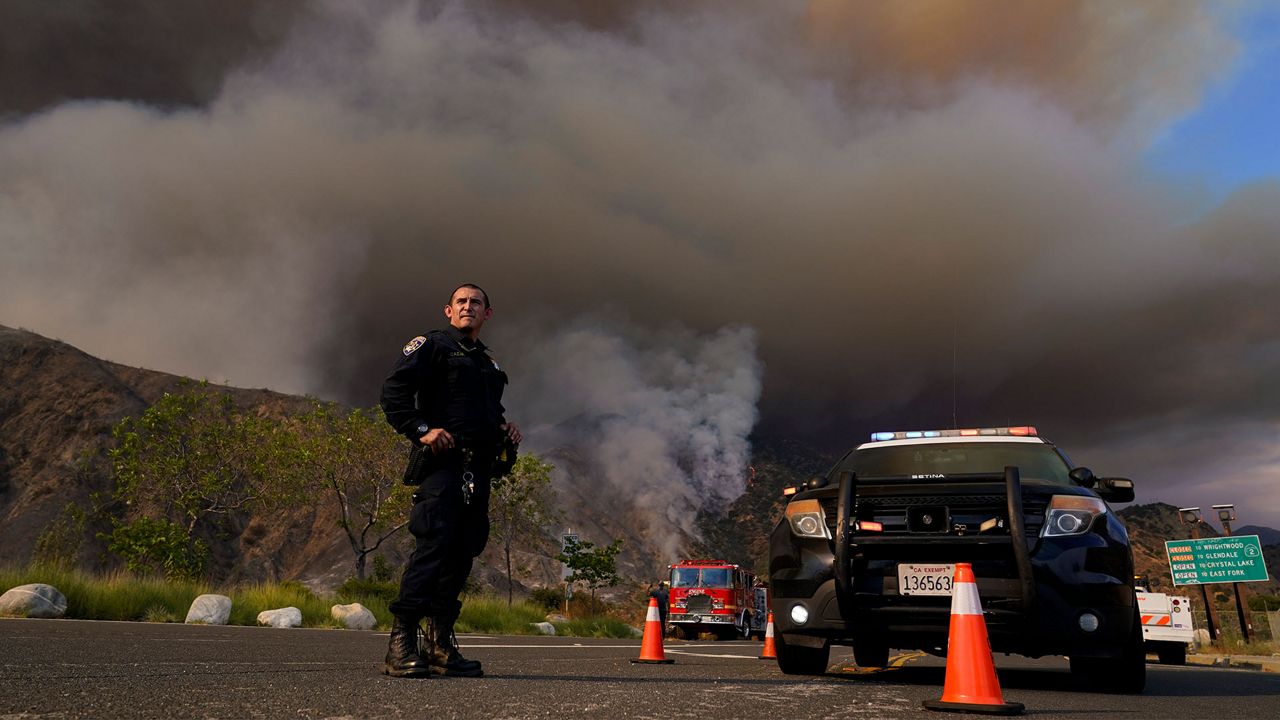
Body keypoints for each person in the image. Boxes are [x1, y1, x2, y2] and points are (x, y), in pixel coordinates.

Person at [379, 283, 522, 679]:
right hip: (443, 466)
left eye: (476, 303)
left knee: (463, 552)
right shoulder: (433, 346)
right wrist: (421, 428)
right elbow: (393, 392)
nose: (468, 307)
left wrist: (504, 429)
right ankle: (401, 642)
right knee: (433, 545)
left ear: (487, 314)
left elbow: (486, 411)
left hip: (478, 472)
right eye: (461, 302)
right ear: (448, 310)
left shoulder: (488, 365)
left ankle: (440, 645)